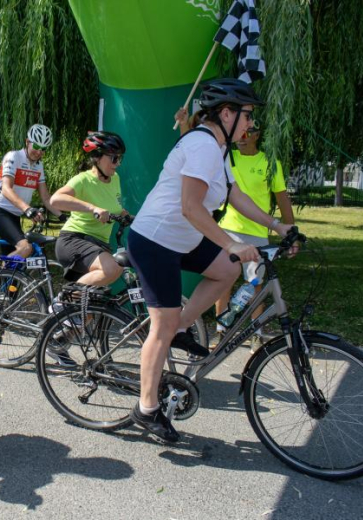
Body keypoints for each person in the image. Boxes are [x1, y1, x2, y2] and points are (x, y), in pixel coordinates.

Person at [126, 78, 295, 442]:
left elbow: (235, 195)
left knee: (226, 270)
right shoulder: (203, 145)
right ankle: (146, 408)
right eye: (248, 116)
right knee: (162, 326)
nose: (251, 125)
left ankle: (183, 327)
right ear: (227, 113)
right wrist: (231, 242)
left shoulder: (218, 149)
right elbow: (190, 206)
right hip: (155, 240)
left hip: (181, 238)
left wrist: (277, 225)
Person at [214, 121, 295, 343]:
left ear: (256, 135)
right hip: (228, 229)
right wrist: (184, 125)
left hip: (257, 232)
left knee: (255, 284)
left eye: (247, 132)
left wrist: (291, 232)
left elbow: (282, 198)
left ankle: (256, 333)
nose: (241, 136)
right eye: (240, 132)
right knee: (223, 281)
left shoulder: (270, 162)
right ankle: (221, 331)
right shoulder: (227, 157)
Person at [50, 131, 129, 287]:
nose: (118, 163)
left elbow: (113, 205)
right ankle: (63, 302)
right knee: (112, 268)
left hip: (99, 245)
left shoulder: (115, 178)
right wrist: (93, 208)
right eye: (114, 158)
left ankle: (71, 308)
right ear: (98, 157)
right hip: (74, 240)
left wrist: (123, 214)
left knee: (92, 304)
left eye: (120, 158)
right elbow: (55, 200)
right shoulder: (83, 179)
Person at [0, 124, 64, 257]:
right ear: (27, 142)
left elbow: (45, 197)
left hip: (14, 215)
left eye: (43, 149)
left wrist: (62, 216)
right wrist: (27, 209)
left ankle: (0, 276)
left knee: (14, 259)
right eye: (37, 147)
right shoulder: (13, 156)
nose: (39, 152)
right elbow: (6, 189)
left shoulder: (39, 166)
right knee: (25, 248)